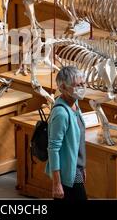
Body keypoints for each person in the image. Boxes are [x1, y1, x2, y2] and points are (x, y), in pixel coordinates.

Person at [45, 66, 88, 201]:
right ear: (63, 87)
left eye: (83, 84)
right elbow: (53, 149)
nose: (81, 87)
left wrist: (82, 167)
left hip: (76, 169)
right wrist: (57, 183)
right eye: (77, 85)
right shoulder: (61, 113)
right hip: (67, 173)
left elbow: (77, 142)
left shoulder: (75, 104)